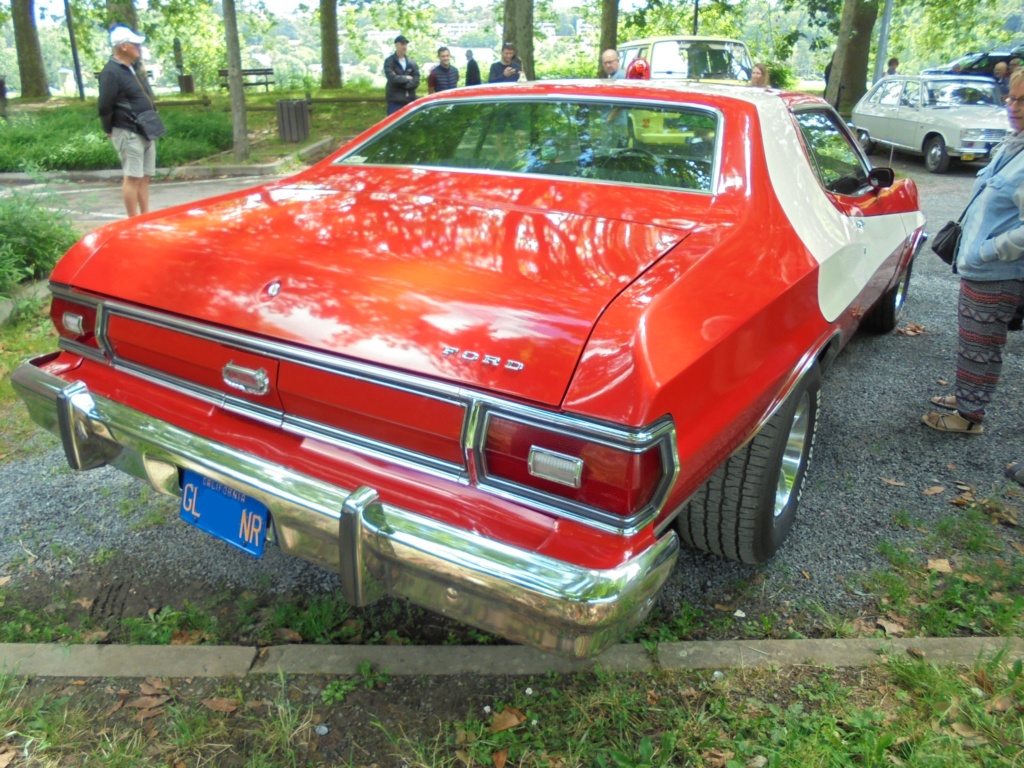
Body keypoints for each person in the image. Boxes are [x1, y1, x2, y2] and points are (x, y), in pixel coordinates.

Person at [922, 69, 1024, 434]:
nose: (1013, 106)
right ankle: (968, 398)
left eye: (1022, 100)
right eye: (1011, 98)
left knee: (983, 345)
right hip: (984, 268)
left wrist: (988, 251)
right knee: (974, 341)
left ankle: (968, 418)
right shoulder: (1015, 145)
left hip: (998, 272)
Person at [97, 25, 158, 218]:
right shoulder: (111, 72)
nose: (139, 48)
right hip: (128, 130)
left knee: (145, 176)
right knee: (133, 177)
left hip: (145, 128)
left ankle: (145, 216)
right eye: (135, 44)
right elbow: (105, 105)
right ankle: (133, 220)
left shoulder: (130, 68)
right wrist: (109, 128)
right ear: (123, 46)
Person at [383, 35, 420, 115]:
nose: (404, 47)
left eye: (406, 44)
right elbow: (392, 79)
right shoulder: (389, 62)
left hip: (410, 101)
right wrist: (407, 78)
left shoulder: (411, 63)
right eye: (402, 44)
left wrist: (404, 84)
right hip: (395, 102)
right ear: (396, 45)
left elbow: (416, 80)